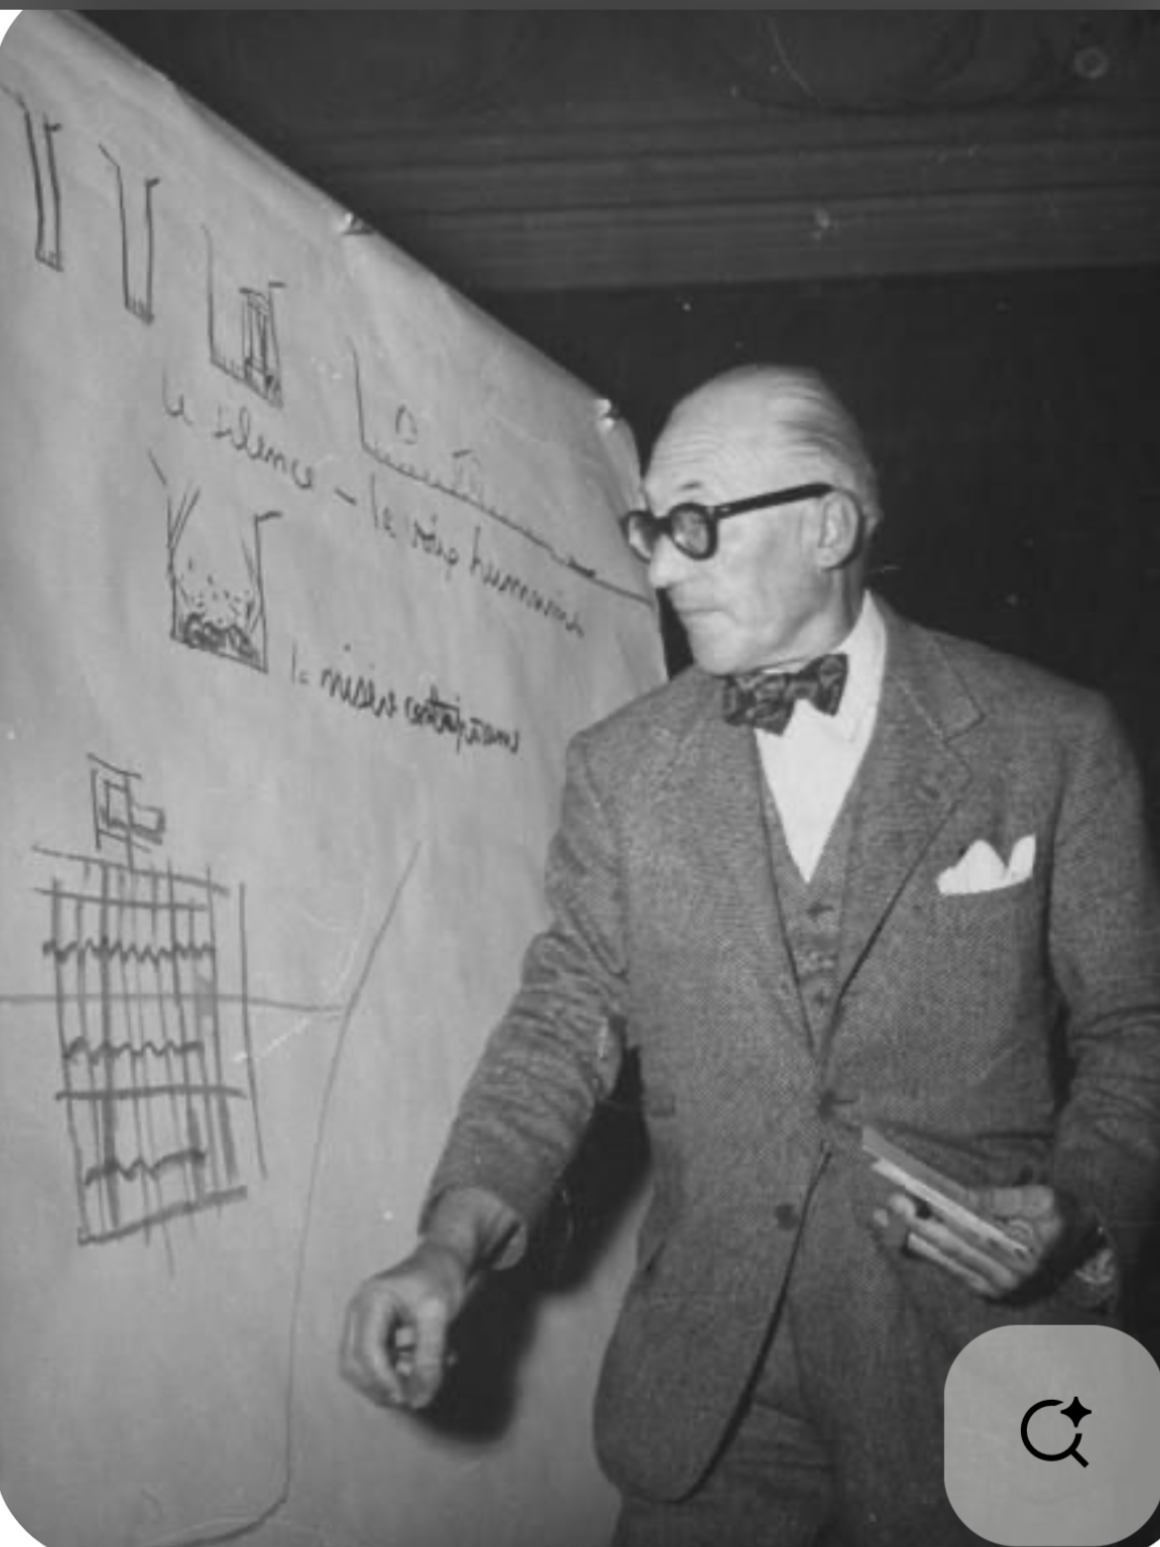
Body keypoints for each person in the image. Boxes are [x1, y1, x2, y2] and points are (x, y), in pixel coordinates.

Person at [340, 365, 1160, 1545]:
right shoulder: (621, 769)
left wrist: (1079, 1205)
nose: (659, 571)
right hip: (708, 1391)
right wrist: (447, 1244)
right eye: (650, 531)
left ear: (828, 526)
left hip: (984, 1367)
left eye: (695, 525)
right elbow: (560, 1025)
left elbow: (1136, 1029)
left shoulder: (1052, 739)